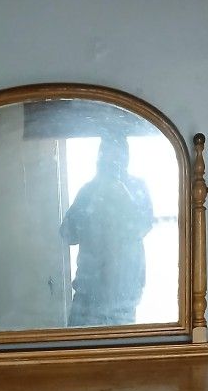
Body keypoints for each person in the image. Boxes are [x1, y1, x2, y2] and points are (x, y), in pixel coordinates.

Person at [60, 135, 154, 327]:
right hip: (89, 295)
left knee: (123, 346)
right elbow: (67, 234)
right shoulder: (88, 191)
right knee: (78, 345)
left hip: (123, 297)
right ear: (99, 157)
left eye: (118, 155)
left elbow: (142, 226)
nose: (113, 161)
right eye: (108, 154)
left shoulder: (136, 188)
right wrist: (90, 205)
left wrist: (124, 196)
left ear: (126, 156)